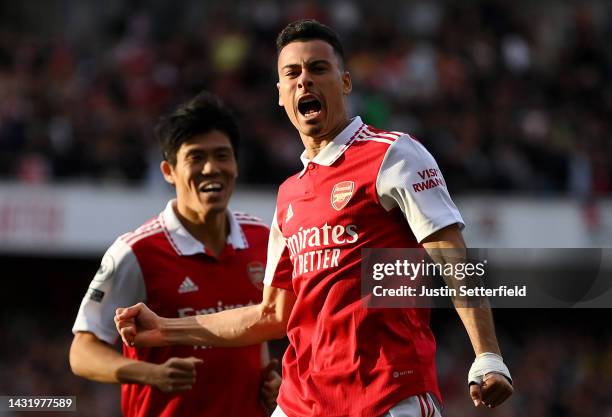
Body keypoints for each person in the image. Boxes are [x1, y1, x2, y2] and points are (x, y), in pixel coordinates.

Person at [114, 20, 513, 417]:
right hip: (302, 403)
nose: (304, 80)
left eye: (318, 69)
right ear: (281, 95)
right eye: (293, 73)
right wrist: (165, 328)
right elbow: (271, 314)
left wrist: (487, 354)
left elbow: (452, 256)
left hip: (386, 398)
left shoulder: (394, 156)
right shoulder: (289, 194)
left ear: (345, 83)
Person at [70, 91, 280, 417]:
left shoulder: (264, 238)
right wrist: (150, 374)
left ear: (236, 164)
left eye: (222, 155)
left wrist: (276, 380)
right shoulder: (135, 252)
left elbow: (261, 329)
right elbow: (82, 352)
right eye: (196, 158)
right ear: (169, 171)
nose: (212, 168)